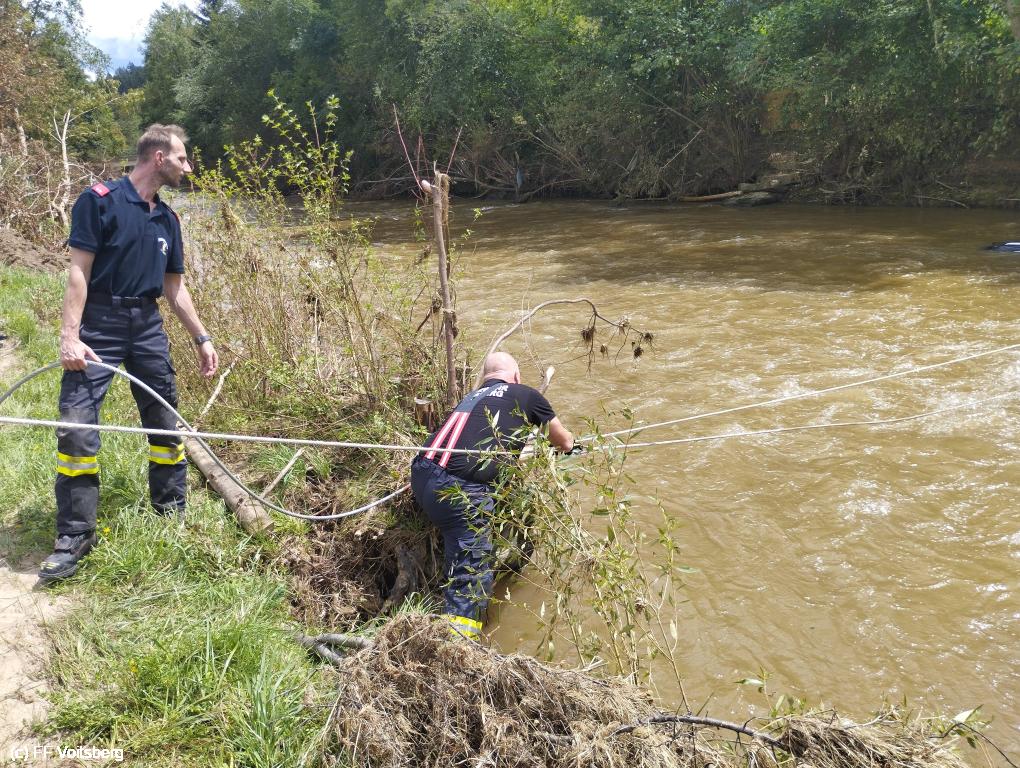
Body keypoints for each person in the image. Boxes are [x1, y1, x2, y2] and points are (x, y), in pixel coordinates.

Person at [39, 124, 218, 581]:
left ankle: (170, 514)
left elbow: (174, 289)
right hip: (99, 324)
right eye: (182, 158)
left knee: (164, 420)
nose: (187, 167)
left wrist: (202, 337)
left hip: (147, 325)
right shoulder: (99, 201)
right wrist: (69, 336)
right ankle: (75, 535)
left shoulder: (168, 219)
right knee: (76, 426)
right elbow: (78, 271)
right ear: (159, 158)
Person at [410, 352, 574, 638]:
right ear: (516, 377)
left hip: (421, 476)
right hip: (459, 491)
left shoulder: (470, 398)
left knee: (459, 546)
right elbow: (564, 443)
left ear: (485, 377)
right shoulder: (526, 395)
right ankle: (459, 645)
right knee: (471, 573)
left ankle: (443, 615)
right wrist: (573, 447)